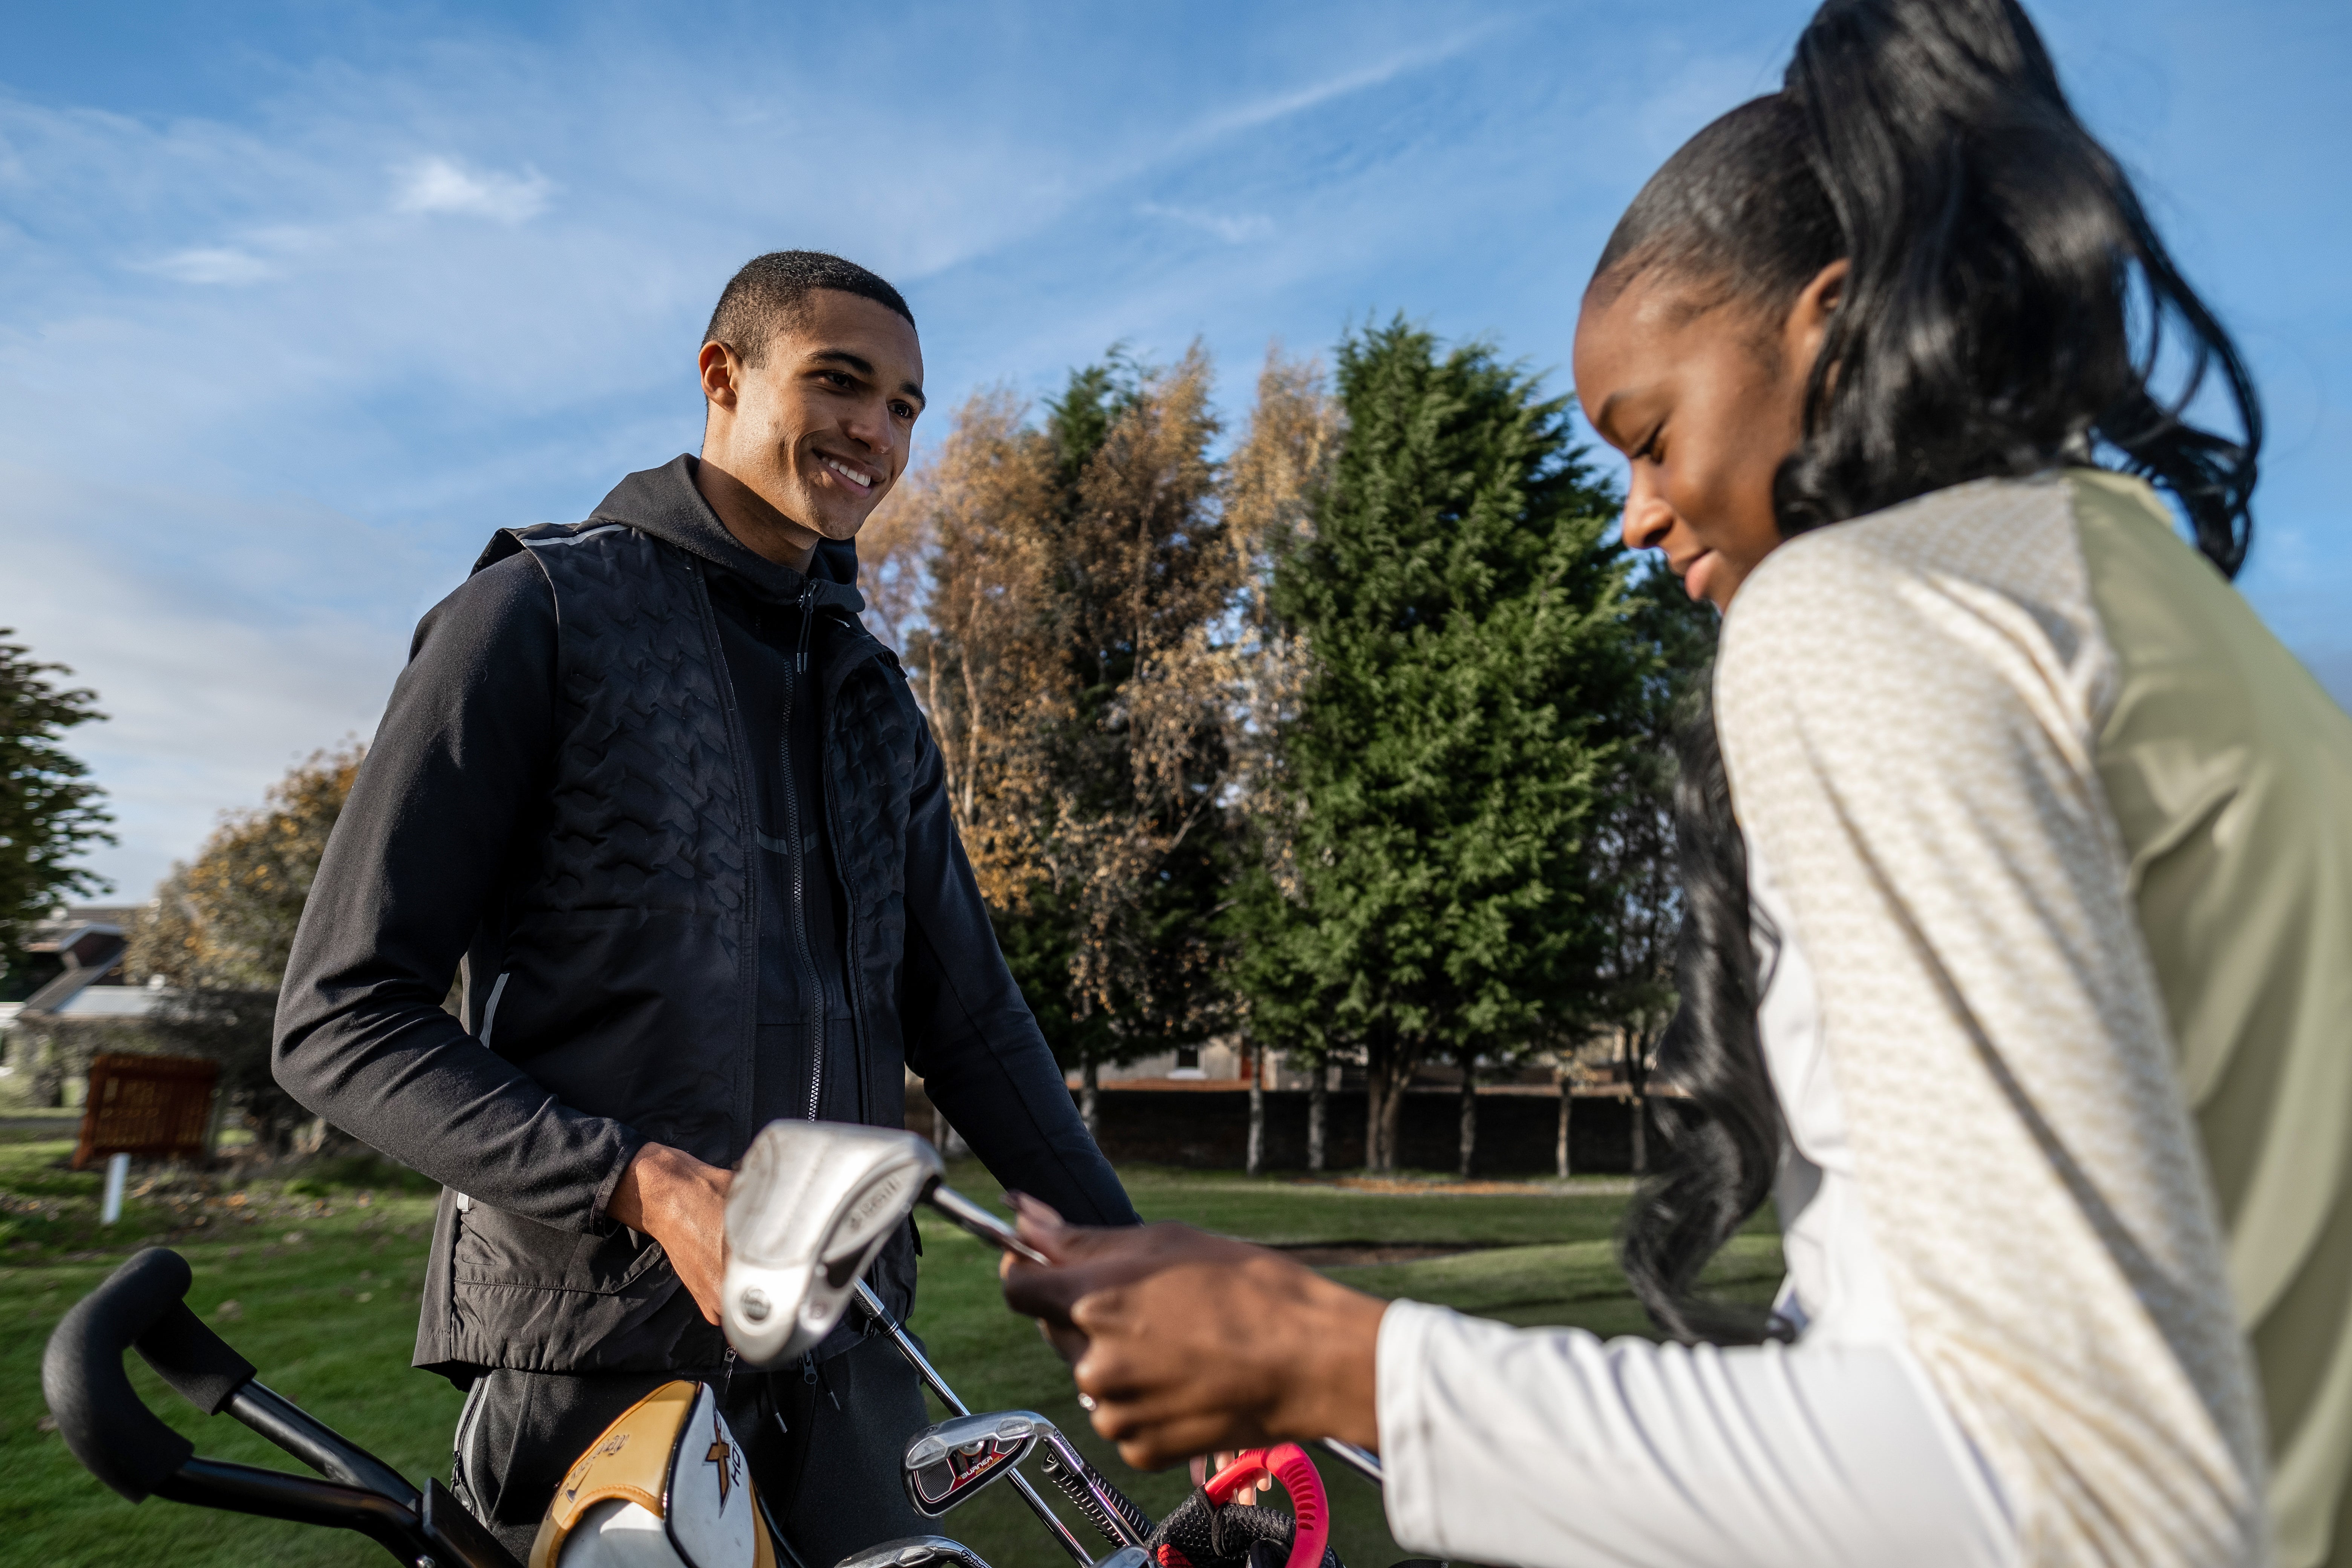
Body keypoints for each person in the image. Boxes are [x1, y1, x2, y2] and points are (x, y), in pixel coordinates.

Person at [999, 3, 2352, 1565]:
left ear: (1828, 330)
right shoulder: (2180, 621)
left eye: (1651, 436)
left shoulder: (1864, 613)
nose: (1634, 518)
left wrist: (1342, 1361)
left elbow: (2072, 1482)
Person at [274, 250, 1139, 1566]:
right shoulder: (534, 615)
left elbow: (972, 1022)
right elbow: (338, 1020)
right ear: (721, 376)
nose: (878, 430)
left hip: (852, 1351)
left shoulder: (874, 700)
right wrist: (641, 1180)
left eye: (907, 406)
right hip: (596, 1356)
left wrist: (1138, 1267)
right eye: (841, 382)